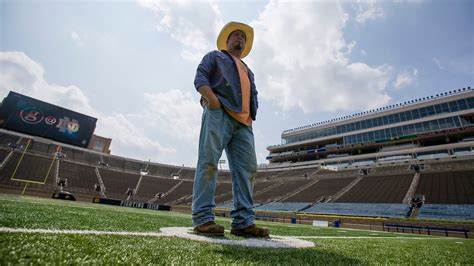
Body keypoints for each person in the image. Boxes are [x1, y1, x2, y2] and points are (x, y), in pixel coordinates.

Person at [192, 21, 269, 238]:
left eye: (243, 37)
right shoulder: (215, 56)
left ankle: (244, 222)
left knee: (248, 170)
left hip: (244, 124)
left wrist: (251, 116)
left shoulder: (248, 70)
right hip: (220, 113)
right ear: (227, 40)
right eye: (236, 35)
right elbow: (200, 78)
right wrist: (213, 100)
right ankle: (203, 218)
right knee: (208, 162)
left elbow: (252, 95)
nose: (240, 39)